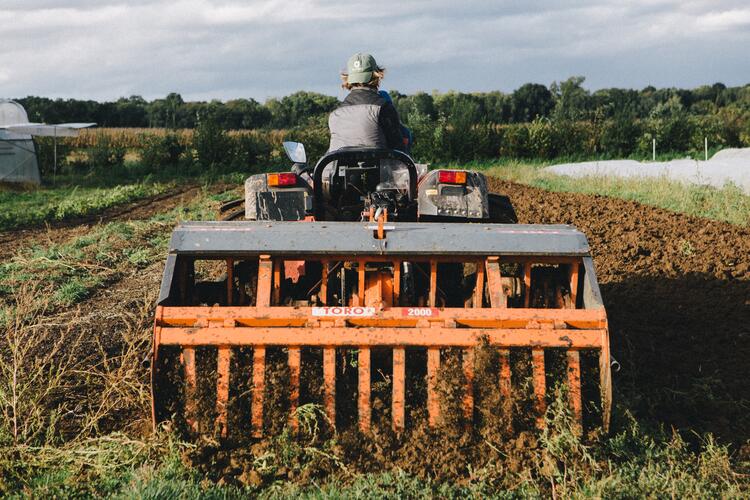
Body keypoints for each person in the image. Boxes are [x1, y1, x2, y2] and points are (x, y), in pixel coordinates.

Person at [328, 53, 407, 152]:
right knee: (406, 134)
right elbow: (399, 150)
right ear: (377, 76)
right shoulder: (384, 108)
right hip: (380, 167)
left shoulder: (335, 115)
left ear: (348, 78)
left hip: (339, 167)